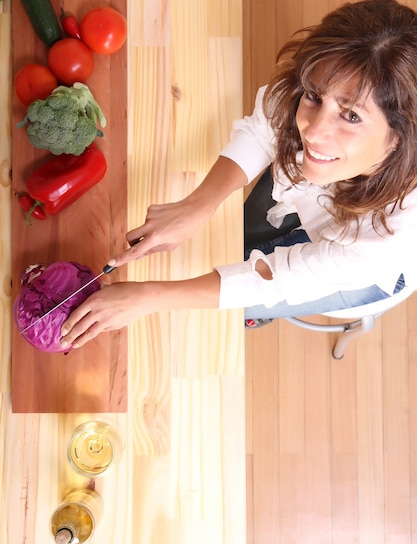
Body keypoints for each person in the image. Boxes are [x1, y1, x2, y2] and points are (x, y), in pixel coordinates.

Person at [60, 0, 417, 349]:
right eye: (314, 96)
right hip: (319, 191)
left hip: (367, 271)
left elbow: (280, 280)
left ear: (400, 138)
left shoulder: (392, 234)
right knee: (243, 237)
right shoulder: (309, 97)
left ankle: (256, 315)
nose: (313, 130)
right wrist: (199, 203)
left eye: (351, 116)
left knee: (255, 297)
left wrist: (147, 297)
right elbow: (264, 130)